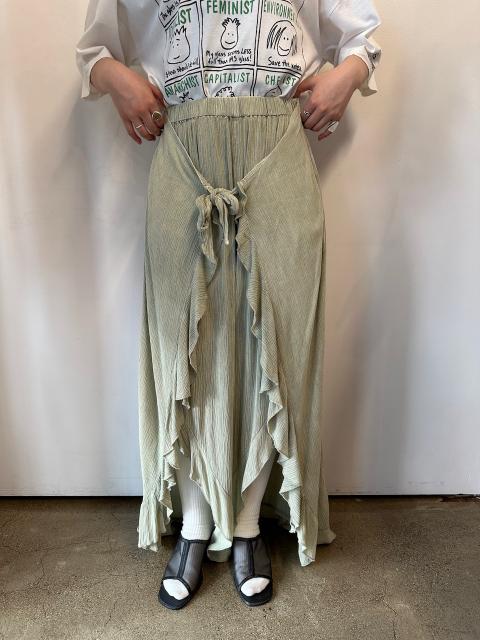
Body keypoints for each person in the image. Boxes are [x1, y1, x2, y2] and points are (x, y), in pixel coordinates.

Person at [76, 0, 382, 610]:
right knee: (185, 341)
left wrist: (346, 77)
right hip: (185, 153)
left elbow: (362, 38)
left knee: (276, 343)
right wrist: (118, 82)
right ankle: (193, 524)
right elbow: (95, 49)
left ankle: (245, 525)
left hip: (278, 152)